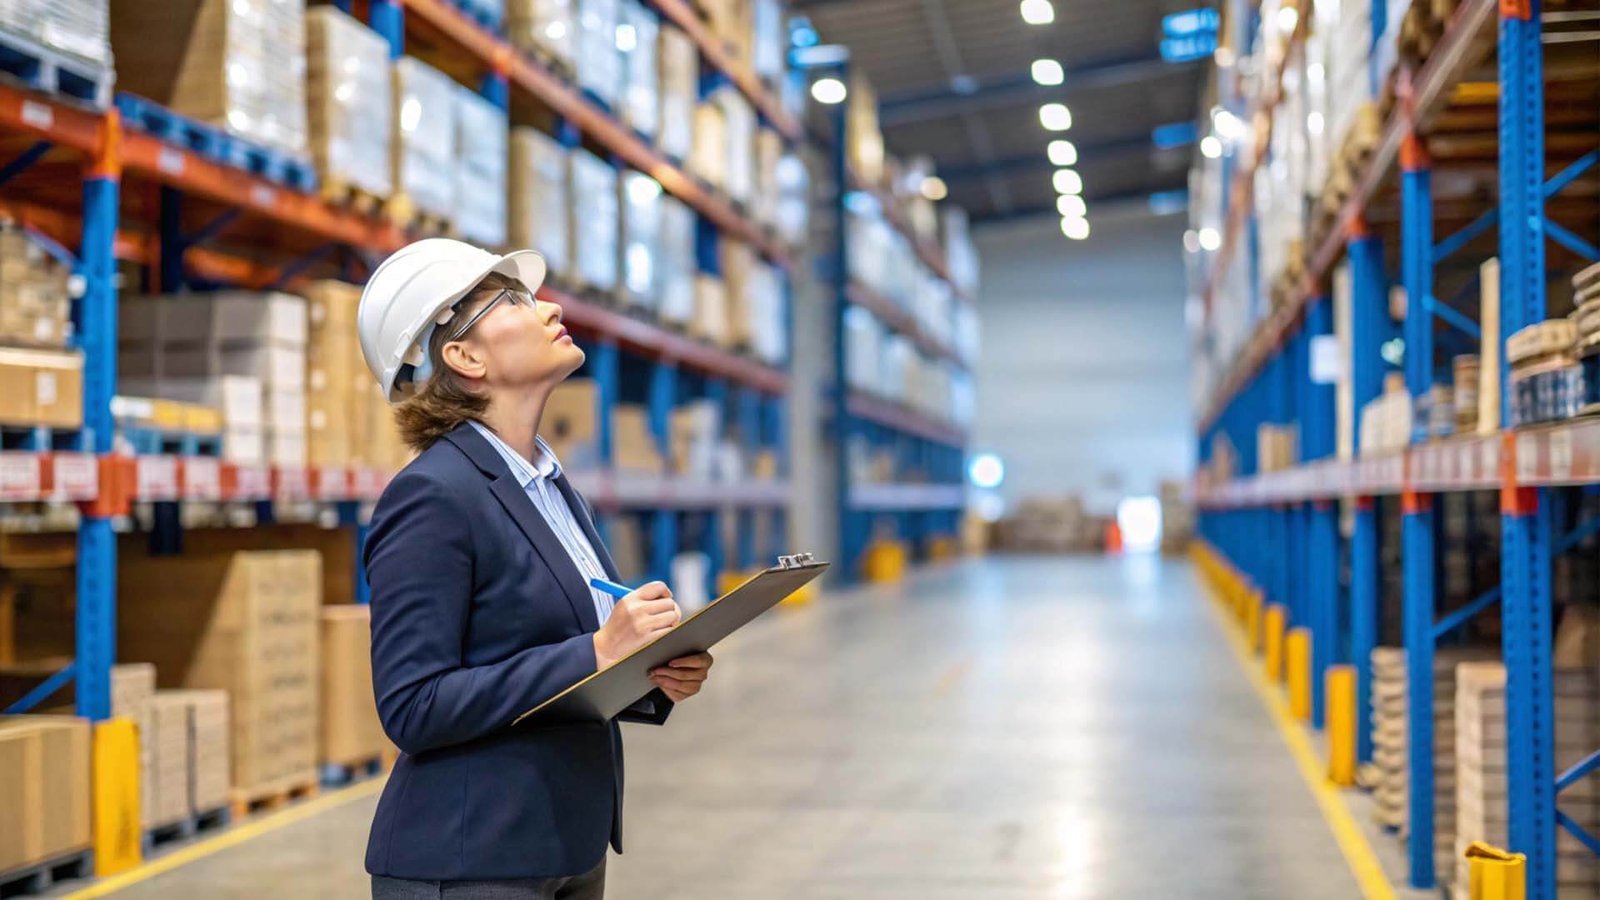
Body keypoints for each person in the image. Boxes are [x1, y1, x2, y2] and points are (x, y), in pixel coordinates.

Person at [355, 238, 714, 900]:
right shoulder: (434, 495)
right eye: (513, 299)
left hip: (561, 845)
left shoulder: (547, 486)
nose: (547, 307)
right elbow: (412, 704)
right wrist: (601, 650)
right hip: (472, 861)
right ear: (463, 357)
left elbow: (555, 659)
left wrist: (650, 674)